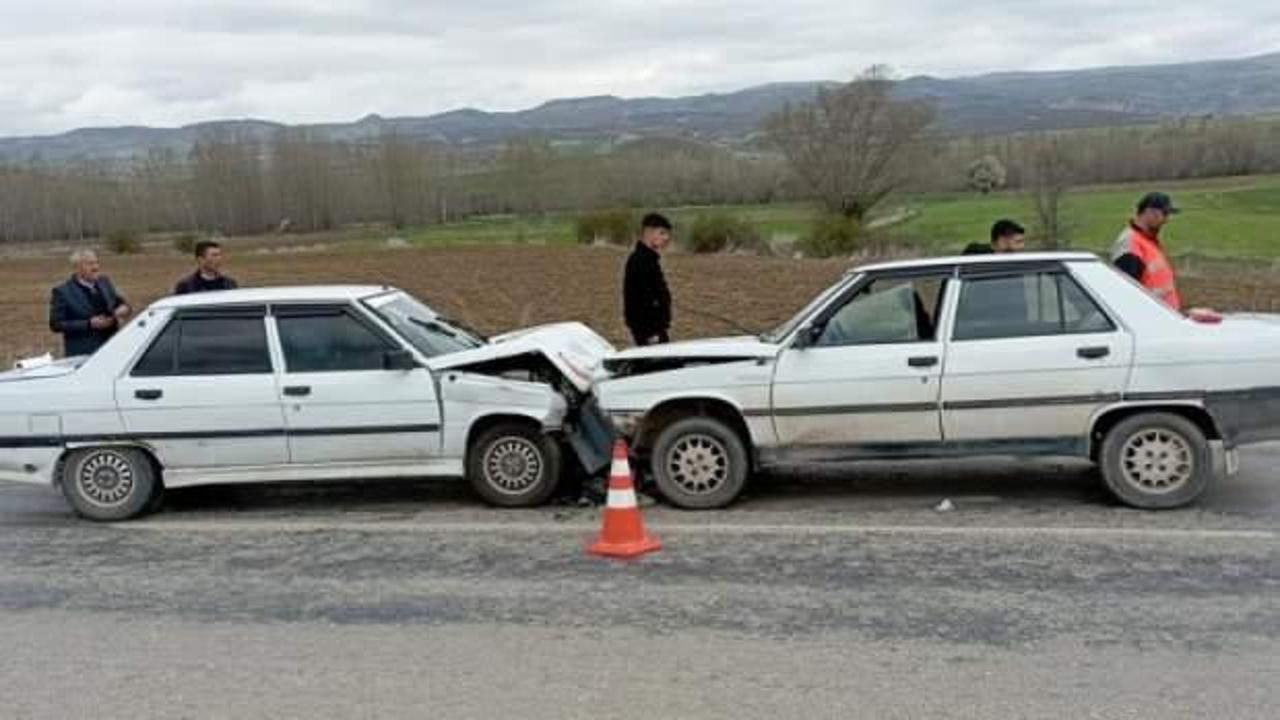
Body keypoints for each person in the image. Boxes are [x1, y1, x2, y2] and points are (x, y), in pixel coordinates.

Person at [49, 249, 132, 357]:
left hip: (113, 348)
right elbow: (56, 324)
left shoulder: (104, 282)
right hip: (84, 355)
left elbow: (120, 303)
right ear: (77, 268)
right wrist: (89, 324)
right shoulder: (63, 292)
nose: (96, 267)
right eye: (90, 264)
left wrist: (124, 309)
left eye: (96, 262)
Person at [1111, 192, 1183, 311]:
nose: (1167, 220)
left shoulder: (1148, 241)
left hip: (1164, 317)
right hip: (1149, 320)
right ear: (1149, 212)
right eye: (1164, 214)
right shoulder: (1131, 244)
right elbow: (1125, 295)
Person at [623, 213, 673, 346]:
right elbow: (641, 301)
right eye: (662, 233)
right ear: (649, 232)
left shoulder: (649, 259)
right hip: (650, 331)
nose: (666, 238)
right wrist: (651, 333)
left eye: (667, 234)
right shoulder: (640, 261)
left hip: (654, 328)